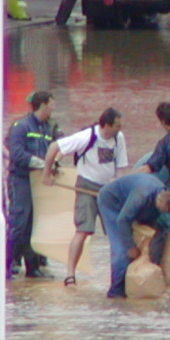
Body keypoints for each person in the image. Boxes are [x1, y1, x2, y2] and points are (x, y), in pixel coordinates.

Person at [42, 107, 128, 286]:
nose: (120, 129)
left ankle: (119, 274)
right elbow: (54, 147)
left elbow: (120, 169)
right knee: (83, 230)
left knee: (116, 232)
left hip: (108, 190)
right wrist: (46, 174)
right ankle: (70, 275)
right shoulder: (87, 137)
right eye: (117, 126)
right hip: (86, 186)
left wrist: (121, 192)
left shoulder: (118, 138)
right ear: (106, 125)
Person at [5, 91, 61, 279]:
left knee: (33, 225)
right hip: (20, 180)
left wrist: (54, 165)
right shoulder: (21, 126)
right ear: (43, 105)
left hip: (38, 182)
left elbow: (54, 150)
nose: (54, 108)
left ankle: (32, 268)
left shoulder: (47, 128)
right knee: (18, 223)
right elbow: (17, 154)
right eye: (52, 104)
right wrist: (43, 164)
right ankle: (4, 265)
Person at [97, 173, 170, 298]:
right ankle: (116, 292)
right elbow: (122, 221)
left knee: (159, 231)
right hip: (111, 202)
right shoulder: (142, 195)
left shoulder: (162, 192)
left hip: (132, 202)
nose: (162, 212)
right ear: (159, 201)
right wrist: (130, 247)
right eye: (161, 209)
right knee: (121, 250)